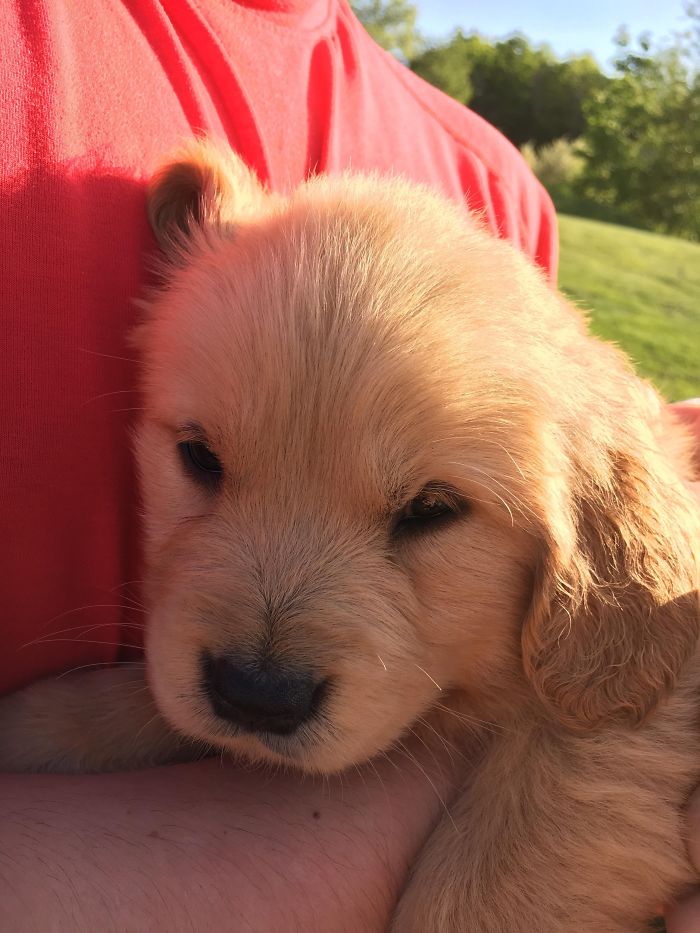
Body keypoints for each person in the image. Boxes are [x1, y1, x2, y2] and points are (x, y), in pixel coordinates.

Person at [0, 2, 697, 929]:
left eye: (424, 510)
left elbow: (628, 689)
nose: (261, 657)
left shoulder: (493, 179)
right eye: (203, 460)